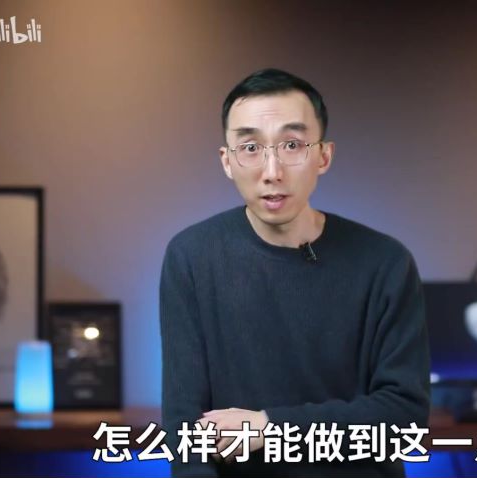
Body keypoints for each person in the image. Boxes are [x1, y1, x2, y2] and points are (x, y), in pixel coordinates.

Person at [159, 68, 430, 477]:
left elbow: (404, 418)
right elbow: (185, 428)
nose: (272, 171)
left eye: (291, 145)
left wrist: (269, 428)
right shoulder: (191, 257)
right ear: (227, 161)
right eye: (250, 147)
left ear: (323, 156)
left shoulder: (386, 262)